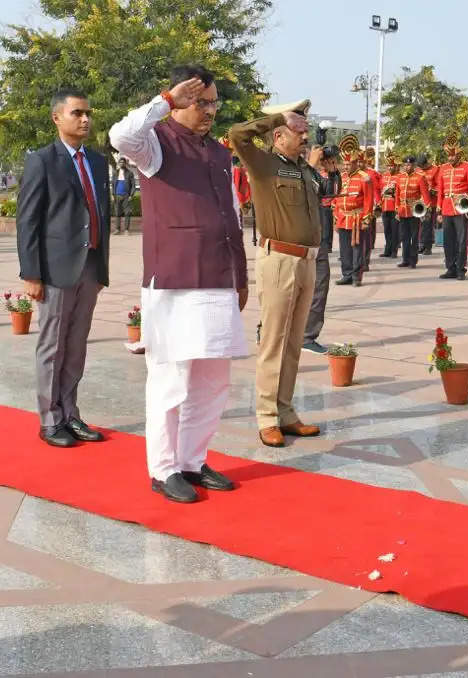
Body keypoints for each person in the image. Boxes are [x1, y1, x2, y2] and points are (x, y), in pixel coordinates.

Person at [109, 65, 248, 503]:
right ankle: (164, 468)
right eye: (198, 101)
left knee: (213, 380)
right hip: (173, 281)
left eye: (212, 103)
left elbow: (233, 214)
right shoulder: (155, 144)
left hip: (217, 278)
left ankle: (193, 460)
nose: (208, 111)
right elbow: (119, 135)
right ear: (176, 99)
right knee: (171, 380)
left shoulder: (219, 153)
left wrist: (240, 274)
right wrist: (166, 101)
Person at [16, 88, 110, 448]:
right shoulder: (42, 160)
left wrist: (100, 269)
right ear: (57, 118)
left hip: (89, 267)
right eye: (77, 113)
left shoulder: (98, 162)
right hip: (54, 270)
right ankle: (50, 419)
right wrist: (31, 274)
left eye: (88, 113)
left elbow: (100, 214)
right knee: (52, 345)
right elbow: (29, 221)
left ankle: (71, 413)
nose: (85, 119)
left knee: (76, 345)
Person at [228, 100, 323, 448]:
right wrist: (276, 117)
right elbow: (236, 135)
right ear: (279, 135)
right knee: (273, 341)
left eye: (305, 130)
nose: (305, 136)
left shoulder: (303, 170)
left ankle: (285, 411)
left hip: (306, 262)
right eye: (298, 130)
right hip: (279, 260)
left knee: (294, 341)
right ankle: (267, 416)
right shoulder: (264, 163)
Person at [304, 145, 342, 354]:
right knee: (285, 291)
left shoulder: (310, 171)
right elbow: (300, 188)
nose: (303, 141)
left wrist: (333, 171)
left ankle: (307, 336)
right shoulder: (284, 166)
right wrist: (310, 165)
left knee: (319, 287)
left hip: (316, 240)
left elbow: (331, 192)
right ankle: (266, 330)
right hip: (292, 240)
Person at [435, 131, 468, 280]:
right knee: (448, 240)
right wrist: (439, 209)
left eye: (453, 155)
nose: (451, 158)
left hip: (461, 207)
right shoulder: (443, 168)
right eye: (449, 155)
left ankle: (461, 269)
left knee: (461, 240)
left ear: (458, 155)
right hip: (447, 207)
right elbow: (440, 189)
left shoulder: (467, 167)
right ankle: (450, 268)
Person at [332, 135, 374, 287]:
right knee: (344, 250)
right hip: (343, 218)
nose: (345, 167)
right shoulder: (341, 177)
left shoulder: (365, 178)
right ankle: (347, 274)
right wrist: (336, 217)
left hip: (357, 218)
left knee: (357, 249)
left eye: (348, 164)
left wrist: (366, 218)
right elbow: (336, 199)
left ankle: (357, 276)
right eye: (344, 164)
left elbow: (369, 200)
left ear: (356, 163)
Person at [394, 154, 430, 269]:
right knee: (404, 237)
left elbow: (425, 195)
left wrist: (426, 209)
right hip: (402, 211)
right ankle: (405, 259)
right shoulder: (400, 177)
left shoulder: (420, 177)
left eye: (409, 164)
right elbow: (397, 195)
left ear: (414, 165)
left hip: (414, 211)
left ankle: (413, 260)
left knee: (414, 237)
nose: (407, 167)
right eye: (405, 165)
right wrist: (397, 209)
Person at [378, 152, 400, 259]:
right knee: (387, 230)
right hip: (384, 206)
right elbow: (379, 190)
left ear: (395, 166)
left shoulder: (399, 177)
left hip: (394, 206)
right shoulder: (384, 176)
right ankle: (387, 250)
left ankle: (394, 251)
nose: (390, 168)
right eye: (388, 166)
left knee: (394, 230)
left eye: (392, 166)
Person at [418, 154, 439, 255]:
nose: (422, 168)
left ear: (426, 163)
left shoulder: (435, 169)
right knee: (420, 225)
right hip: (419, 202)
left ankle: (428, 247)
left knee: (428, 225)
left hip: (431, 202)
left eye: (423, 166)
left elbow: (440, 185)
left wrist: (432, 190)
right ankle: (421, 245)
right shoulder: (418, 170)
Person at [112, 157, 136, 234]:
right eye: (120, 162)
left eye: (123, 162)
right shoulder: (115, 172)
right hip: (117, 196)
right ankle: (117, 229)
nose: (122, 163)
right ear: (119, 163)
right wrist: (113, 194)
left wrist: (131, 195)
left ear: (125, 163)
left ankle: (126, 230)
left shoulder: (129, 173)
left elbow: (133, 185)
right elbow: (113, 184)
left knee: (127, 213)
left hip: (126, 196)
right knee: (117, 213)